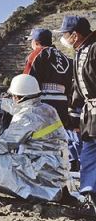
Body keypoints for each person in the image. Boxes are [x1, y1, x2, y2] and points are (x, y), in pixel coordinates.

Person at [0, 74, 68, 201]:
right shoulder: (48, 109)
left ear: (18, 97)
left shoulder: (26, 117)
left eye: (12, 96)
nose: (12, 98)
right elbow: (26, 107)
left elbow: (3, 144)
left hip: (43, 170)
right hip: (58, 166)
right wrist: (6, 104)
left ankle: (41, 194)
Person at [22, 27, 78, 168]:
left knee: (35, 140)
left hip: (43, 103)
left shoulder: (36, 54)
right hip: (62, 104)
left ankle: (34, 173)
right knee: (58, 141)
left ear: (35, 41)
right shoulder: (66, 59)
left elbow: (27, 82)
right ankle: (61, 173)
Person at [58, 16, 96, 213]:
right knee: (88, 153)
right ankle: (91, 198)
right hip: (91, 115)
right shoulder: (80, 53)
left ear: (75, 35)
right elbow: (77, 88)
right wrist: (74, 115)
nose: (64, 38)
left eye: (65, 34)